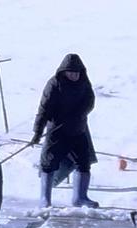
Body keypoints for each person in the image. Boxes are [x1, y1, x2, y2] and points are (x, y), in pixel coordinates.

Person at [31, 53, 99, 208]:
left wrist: (79, 114)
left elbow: (90, 101)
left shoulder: (84, 82)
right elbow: (44, 109)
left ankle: (80, 197)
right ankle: (45, 199)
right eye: (71, 73)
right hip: (57, 131)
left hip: (78, 130)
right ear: (64, 72)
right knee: (49, 163)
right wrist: (38, 132)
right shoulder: (54, 84)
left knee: (83, 163)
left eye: (77, 73)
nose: (74, 75)